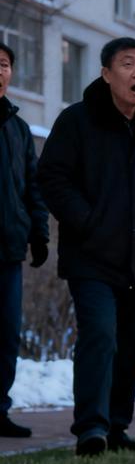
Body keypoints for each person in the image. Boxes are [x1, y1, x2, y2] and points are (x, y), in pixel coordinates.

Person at [37, 37, 135, 457]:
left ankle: (117, 426)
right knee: (100, 336)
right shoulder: (78, 120)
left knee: (134, 343)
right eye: (127, 65)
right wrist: (88, 221)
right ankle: (91, 428)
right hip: (92, 256)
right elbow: (52, 178)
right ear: (106, 73)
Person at [0, 41, 48, 438]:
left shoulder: (18, 128)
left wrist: (40, 233)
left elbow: (33, 186)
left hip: (8, 249)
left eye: (3, 64)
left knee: (6, 333)